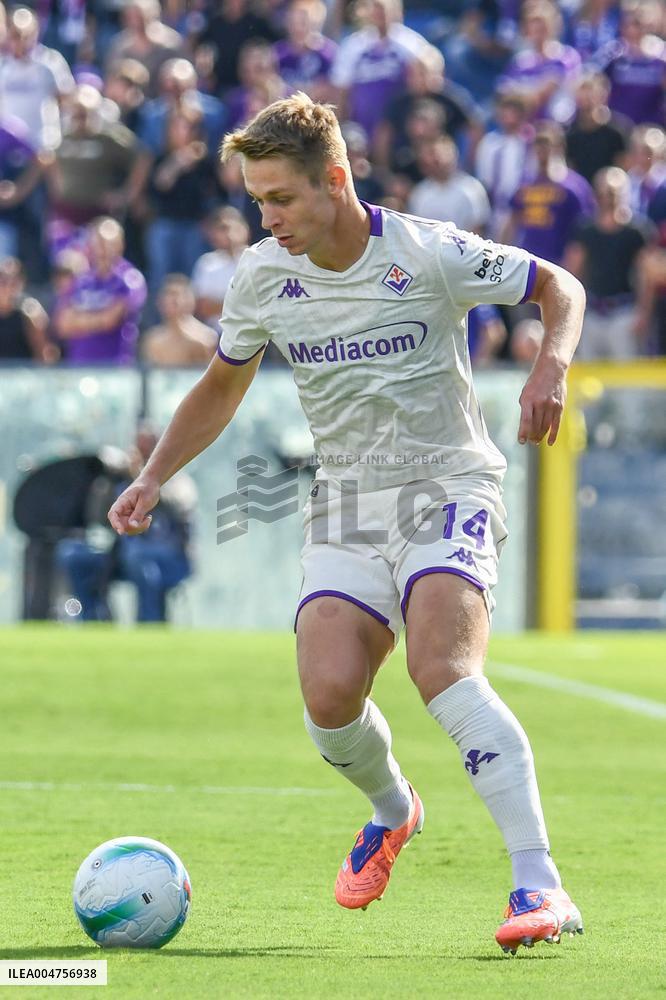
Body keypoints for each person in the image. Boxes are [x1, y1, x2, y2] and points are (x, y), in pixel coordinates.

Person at [108, 92, 586, 953]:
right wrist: (153, 475)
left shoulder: (426, 251)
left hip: (448, 485)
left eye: (281, 197)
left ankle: (540, 884)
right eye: (257, 199)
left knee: (442, 670)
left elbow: (561, 286)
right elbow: (222, 384)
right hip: (349, 502)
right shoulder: (261, 275)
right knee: (330, 702)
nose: (268, 217)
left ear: (335, 181)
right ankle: (393, 810)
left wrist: (549, 368)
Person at [59, 424, 194, 622]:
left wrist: (147, 480)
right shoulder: (120, 479)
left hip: (167, 556)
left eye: (149, 449)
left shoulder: (178, 479)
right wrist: (112, 480)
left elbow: (180, 503)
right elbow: (96, 516)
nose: (143, 454)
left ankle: (149, 625)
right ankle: (95, 620)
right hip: (120, 555)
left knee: (140, 559)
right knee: (73, 555)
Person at [53, 216, 147, 364]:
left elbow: (109, 320)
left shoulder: (129, 279)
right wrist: (97, 320)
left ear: (120, 244)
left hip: (113, 367)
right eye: (97, 243)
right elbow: (62, 325)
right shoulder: (81, 278)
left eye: (107, 243)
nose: (102, 249)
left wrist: (78, 320)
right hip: (78, 366)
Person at [141, 273, 217, 365]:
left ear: (190, 300)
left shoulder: (205, 339)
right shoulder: (152, 339)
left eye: (176, 295)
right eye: (167, 294)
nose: (170, 300)